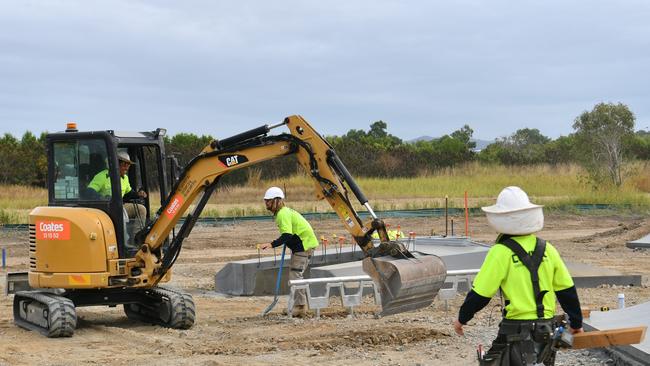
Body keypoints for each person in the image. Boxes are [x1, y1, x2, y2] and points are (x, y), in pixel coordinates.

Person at [453, 186, 583, 366]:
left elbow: (481, 294)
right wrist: (576, 322)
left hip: (515, 330)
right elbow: (566, 290)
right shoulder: (548, 249)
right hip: (546, 329)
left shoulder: (500, 252)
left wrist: (462, 318)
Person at [258, 186, 319, 317]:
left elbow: (287, 235)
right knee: (294, 274)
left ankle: (300, 307)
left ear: (276, 201)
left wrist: (271, 244)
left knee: (296, 276)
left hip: (304, 246)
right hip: (301, 246)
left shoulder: (282, 214)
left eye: (268, 201)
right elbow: (289, 234)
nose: (266, 203)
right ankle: (297, 305)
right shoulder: (284, 212)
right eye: (265, 201)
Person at [87, 151, 147, 225]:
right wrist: (102, 198)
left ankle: (137, 235)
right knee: (120, 216)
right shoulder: (102, 176)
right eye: (124, 165)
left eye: (128, 165)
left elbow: (129, 193)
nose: (127, 168)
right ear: (116, 164)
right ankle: (123, 235)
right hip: (105, 208)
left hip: (119, 206)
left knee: (141, 209)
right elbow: (90, 191)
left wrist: (138, 194)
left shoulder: (125, 178)